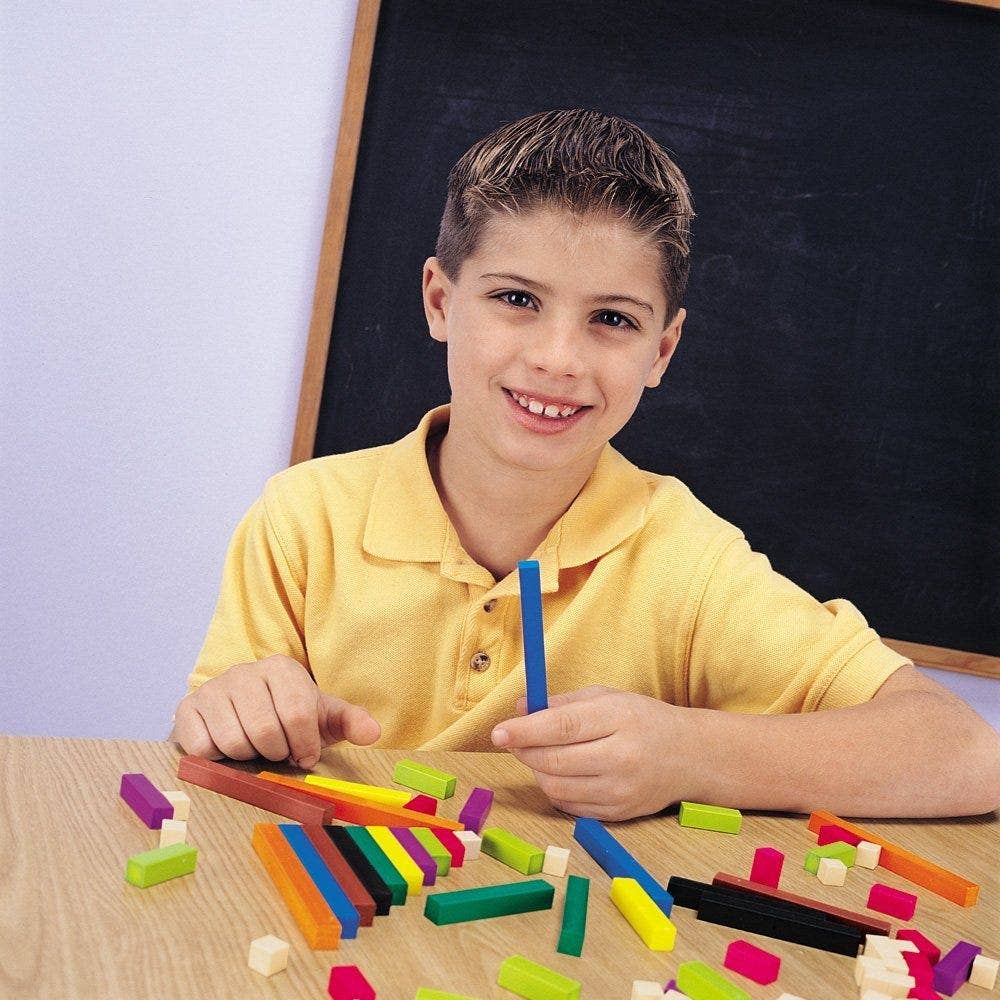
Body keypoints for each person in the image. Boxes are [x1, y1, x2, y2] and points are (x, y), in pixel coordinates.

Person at [171, 109, 1000, 821]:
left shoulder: (687, 564)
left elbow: (964, 752)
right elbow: (206, 747)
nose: (559, 358)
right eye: (517, 299)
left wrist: (689, 751)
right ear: (438, 301)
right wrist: (237, 712)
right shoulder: (304, 520)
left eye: (611, 318)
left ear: (662, 350)